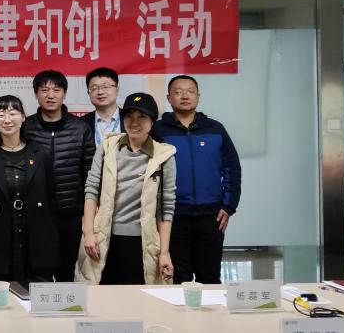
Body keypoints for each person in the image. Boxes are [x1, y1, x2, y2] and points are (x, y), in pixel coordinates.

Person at [77, 93, 175, 285]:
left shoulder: (164, 156)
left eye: (142, 117)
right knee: (102, 295)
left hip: (143, 242)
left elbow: (166, 207)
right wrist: (88, 233)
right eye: (129, 116)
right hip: (104, 239)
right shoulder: (107, 147)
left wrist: (164, 252)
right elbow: (92, 190)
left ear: (152, 122)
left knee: (139, 296)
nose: (134, 122)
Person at [151, 75, 242, 284]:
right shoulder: (158, 130)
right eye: (178, 92)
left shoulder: (215, 129)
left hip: (211, 215)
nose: (185, 96)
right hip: (172, 215)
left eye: (190, 91)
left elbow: (232, 168)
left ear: (198, 96)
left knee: (209, 276)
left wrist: (228, 205)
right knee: (177, 276)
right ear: (169, 97)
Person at [0, 95, 58, 286]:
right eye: (0, 115)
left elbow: (51, 198)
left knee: (35, 295)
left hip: (36, 238)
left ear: (23, 117)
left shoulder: (41, 154)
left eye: (13, 113)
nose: (7, 120)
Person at [22, 70, 94, 282]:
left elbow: (90, 173)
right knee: (36, 273)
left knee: (66, 273)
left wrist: (87, 215)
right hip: (35, 215)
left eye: (56, 90)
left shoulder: (80, 128)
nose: (50, 95)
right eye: (44, 90)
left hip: (71, 215)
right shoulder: (26, 127)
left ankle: (64, 304)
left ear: (64, 93)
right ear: (36, 94)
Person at [81, 67, 124, 145]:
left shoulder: (131, 119)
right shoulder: (80, 124)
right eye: (94, 88)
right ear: (88, 93)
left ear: (117, 89)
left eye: (105, 87)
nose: (100, 92)